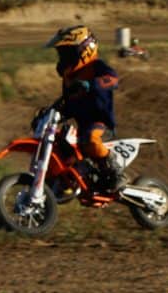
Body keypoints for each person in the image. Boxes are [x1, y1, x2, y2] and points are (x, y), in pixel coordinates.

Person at [42, 25, 123, 194]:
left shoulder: (96, 66)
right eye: (61, 53)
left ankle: (114, 172)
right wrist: (51, 112)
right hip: (82, 124)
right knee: (60, 141)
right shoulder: (69, 77)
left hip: (100, 122)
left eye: (67, 53)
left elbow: (113, 80)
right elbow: (67, 102)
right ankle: (65, 181)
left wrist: (91, 84)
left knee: (91, 139)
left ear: (84, 49)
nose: (63, 58)